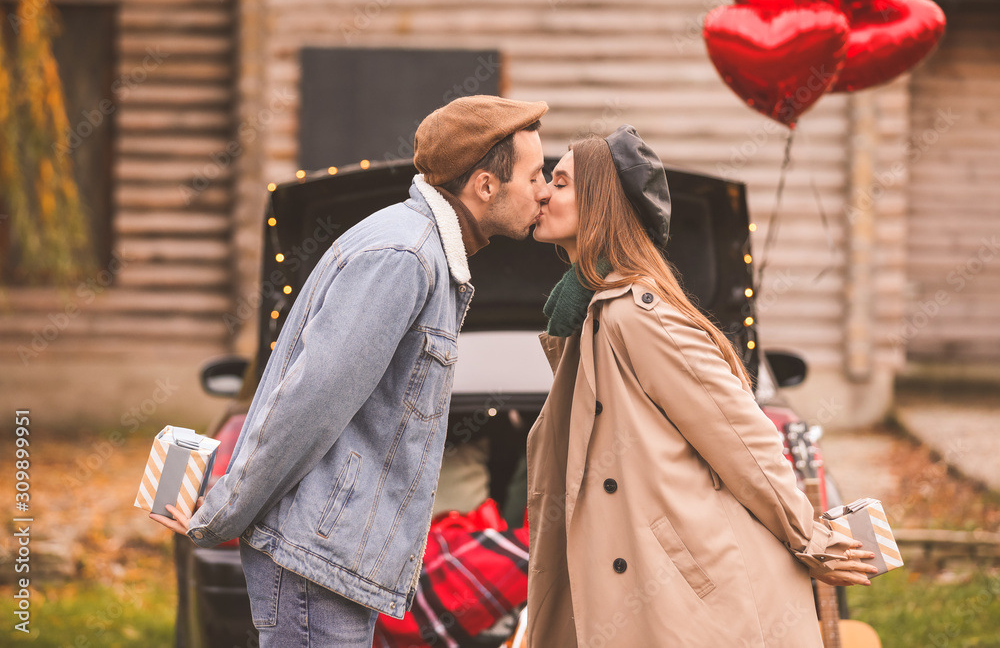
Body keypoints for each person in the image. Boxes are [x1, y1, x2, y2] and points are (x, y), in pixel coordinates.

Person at [150, 95, 551, 648]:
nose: (545, 189)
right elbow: (308, 405)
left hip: (329, 558)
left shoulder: (420, 250)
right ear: (485, 186)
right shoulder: (404, 257)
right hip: (316, 561)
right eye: (536, 175)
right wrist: (220, 512)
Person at [525, 125, 877, 647]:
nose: (542, 193)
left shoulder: (637, 316)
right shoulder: (587, 317)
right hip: (636, 586)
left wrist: (813, 538)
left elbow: (742, 438)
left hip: (688, 599)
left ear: (600, 202)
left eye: (560, 181)